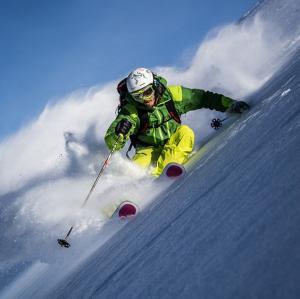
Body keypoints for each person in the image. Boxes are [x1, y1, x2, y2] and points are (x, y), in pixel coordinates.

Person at [105, 67, 249, 176]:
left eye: (147, 92)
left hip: (174, 141)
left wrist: (230, 105)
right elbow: (111, 141)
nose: (145, 99)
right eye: (138, 96)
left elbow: (202, 98)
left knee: (186, 133)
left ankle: (161, 175)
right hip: (147, 150)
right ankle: (114, 205)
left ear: (154, 86)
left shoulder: (172, 95)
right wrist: (119, 132)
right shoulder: (131, 111)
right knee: (133, 172)